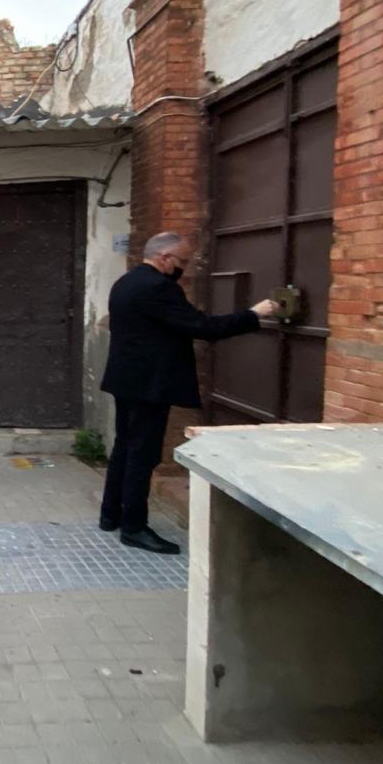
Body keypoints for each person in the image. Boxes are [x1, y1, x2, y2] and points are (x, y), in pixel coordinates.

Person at [99, 232, 278, 554]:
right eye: (182, 262)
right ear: (165, 258)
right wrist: (254, 314)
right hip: (149, 386)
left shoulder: (124, 283)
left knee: (124, 448)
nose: (186, 268)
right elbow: (203, 327)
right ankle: (134, 528)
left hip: (127, 380)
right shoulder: (158, 287)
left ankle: (110, 515)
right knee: (143, 455)